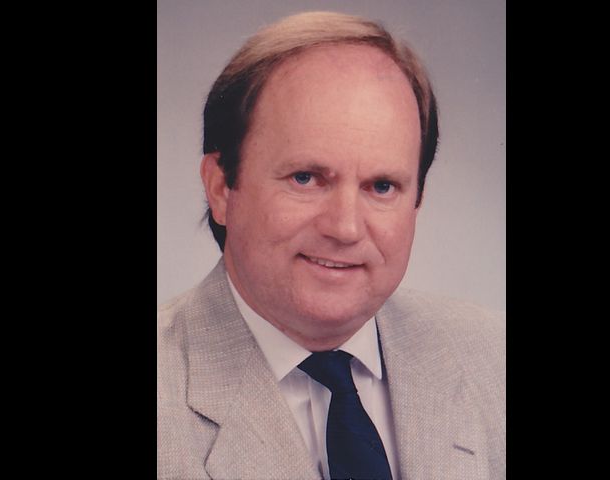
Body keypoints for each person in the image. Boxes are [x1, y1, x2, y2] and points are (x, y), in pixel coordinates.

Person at [157, 11, 505, 480]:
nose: (345, 228)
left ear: (416, 203)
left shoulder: (494, 358)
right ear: (221, 188)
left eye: (382, 186)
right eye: (306, 178)